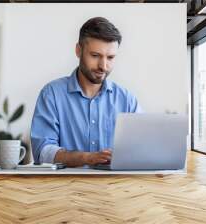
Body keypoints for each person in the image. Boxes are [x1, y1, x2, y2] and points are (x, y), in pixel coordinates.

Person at [31, 17, 141, 167]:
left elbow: (141, 149)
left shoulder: (127, 100)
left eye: (110, 57)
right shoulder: (52, 94)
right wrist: (87, 158)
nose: (103, 66)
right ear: (78, 50)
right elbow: (42, 153)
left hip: (115, 188)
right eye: (95, 56)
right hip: (64, 188)